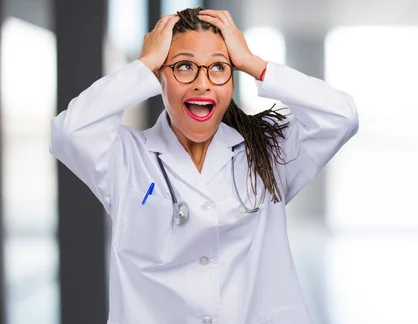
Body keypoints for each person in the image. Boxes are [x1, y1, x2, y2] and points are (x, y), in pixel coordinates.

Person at [50, 7, 358, 324]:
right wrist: (142, 66)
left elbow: (340, 118)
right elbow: (70, 131)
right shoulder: (127, 158)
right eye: (184, 66)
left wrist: (254, 64)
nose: (202, 83)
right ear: (159, 76)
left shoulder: (266, 153)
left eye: (218, 67)